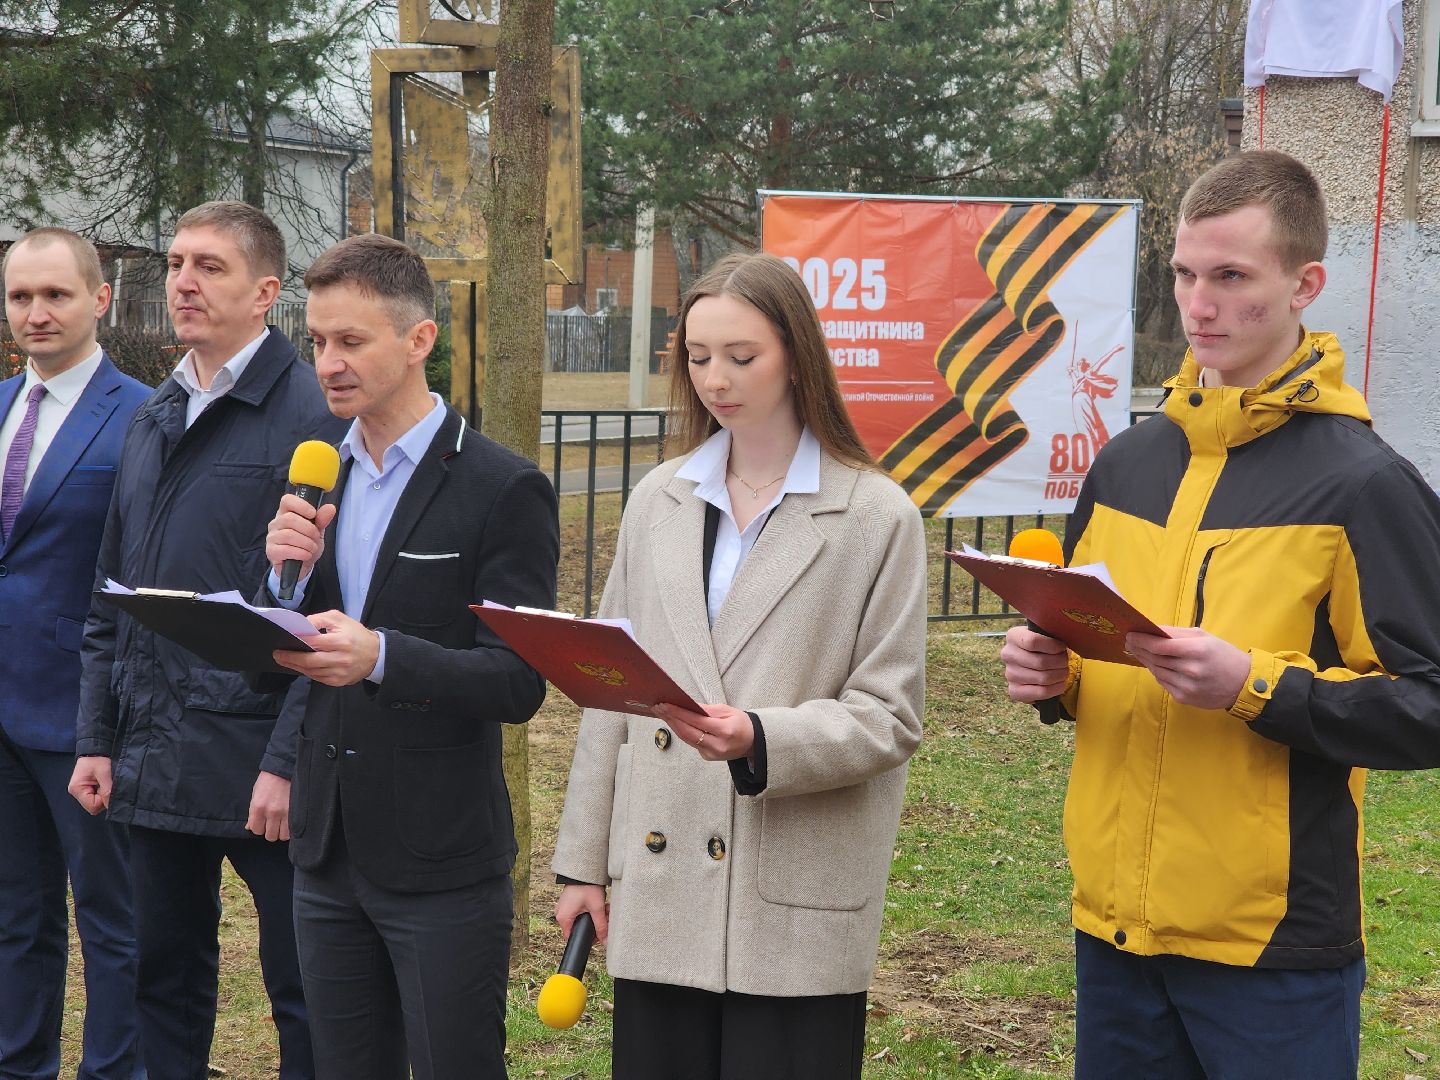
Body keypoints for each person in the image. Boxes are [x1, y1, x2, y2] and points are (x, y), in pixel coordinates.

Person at [1001, 149, 1440, 1078]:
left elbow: (1427, 705)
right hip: (1116, 935)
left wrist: (1255, 686)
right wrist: (1057, 678)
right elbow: (1093, 649)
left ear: (1303, 284)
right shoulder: (1126, 465)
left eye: (1231, 277)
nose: (1198, 304)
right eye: (1185, 275)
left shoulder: (1366, 486)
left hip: (1273, 951)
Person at [551, 252, 927, 1080]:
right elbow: (611, 699)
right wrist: (582, 864)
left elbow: (890, 713)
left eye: (742, 356)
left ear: (797, 353)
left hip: (790, 899)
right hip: (659, 892)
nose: (715, 379)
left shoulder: (876, 517)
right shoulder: (657, 502)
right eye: (697, 356)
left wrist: (759, 737)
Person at [257, 233, 559, 1080]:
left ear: (420, 340)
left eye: (351, 341)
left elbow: (518, 680)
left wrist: (384, 656)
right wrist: (282, 589)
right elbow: (283, 657)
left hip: (441, 861)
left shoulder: (503, 488)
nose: (328, 363)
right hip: (325, 848)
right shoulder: (319, 474)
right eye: (316, 341)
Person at [71, 201, 344, 1080]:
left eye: (210, 267)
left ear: (267, 292)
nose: (184, 281)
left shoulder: (314, 415)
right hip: (153, 757)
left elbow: (330, 609)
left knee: (304, 987)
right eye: (178, 262)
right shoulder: (156, 411)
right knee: (164, 982)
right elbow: (113, 593)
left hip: (259, 762)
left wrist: (289, 760)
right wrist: (96, 738)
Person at [0, 229, 149, 1080]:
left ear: (99, 300)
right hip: (2, 713)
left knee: (113, 922)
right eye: (21, 296)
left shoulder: (143, 416)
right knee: (17, 919)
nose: (36, 312)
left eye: (55, 294)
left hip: (89, 713)